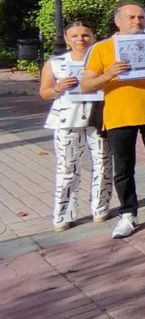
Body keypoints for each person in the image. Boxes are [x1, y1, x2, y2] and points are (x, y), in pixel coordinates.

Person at [81, 2, 145, 238]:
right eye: (131, 17)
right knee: (123, 168)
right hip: (119, 115)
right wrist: (109, 74)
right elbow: (86, 84)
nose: (137, 21)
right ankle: (128, 213)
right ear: (117, 21)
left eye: (141, 17)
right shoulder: (101, 48)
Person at [40, 21, 111, 231]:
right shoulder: (55, 63)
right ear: (67, 39)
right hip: (67, 120)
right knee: (67, 168)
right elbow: (44, 92)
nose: (81, 40)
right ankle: (64, 214)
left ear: (93, 36)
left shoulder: (104, 60)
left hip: (99, 118)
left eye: (85, 35)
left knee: (104, 164)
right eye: (75, 36)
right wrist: (57, 88)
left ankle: (100, 207)